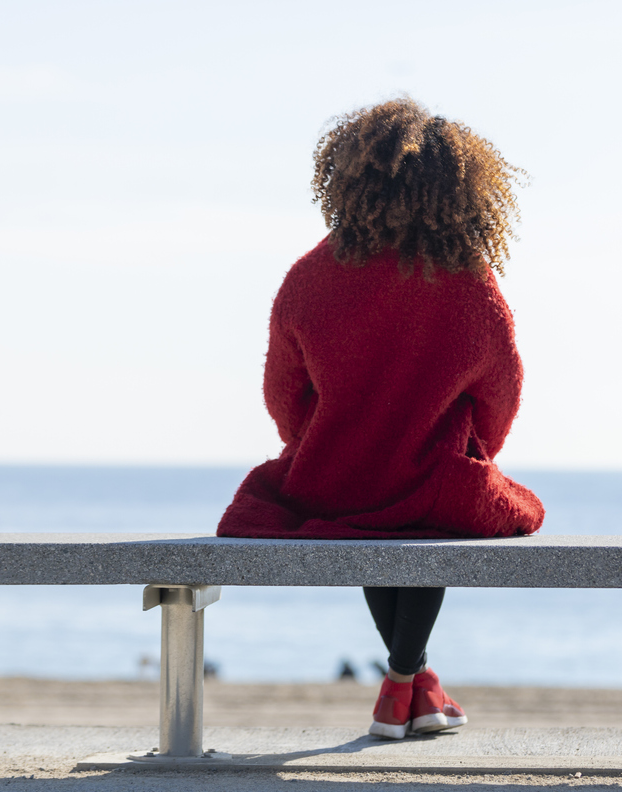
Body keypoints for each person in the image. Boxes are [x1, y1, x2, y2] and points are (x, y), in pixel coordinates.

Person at [217, 98, 544, 739]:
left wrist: (324, 443)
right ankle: (401, 684)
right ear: (458, 188)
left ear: (348, 179)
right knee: (431, 515)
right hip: (431, 482)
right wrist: (475, 447)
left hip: (335, 479)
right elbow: (502, 392)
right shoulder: (467, 279)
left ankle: (415, 688)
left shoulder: (309, 278)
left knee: (368, 511)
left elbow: (283, 396)